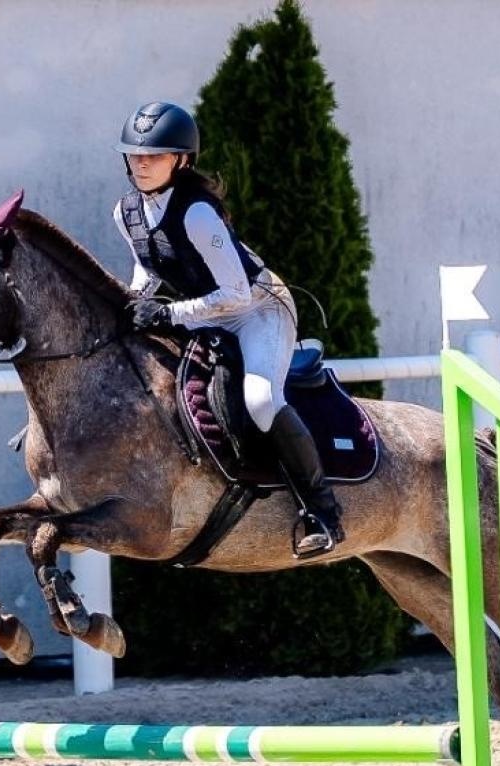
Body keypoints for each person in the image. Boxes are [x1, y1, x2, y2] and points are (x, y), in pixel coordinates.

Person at [113, 100, 344, 556]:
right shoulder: (126, 212)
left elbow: (236, 294)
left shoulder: (197, 212)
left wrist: (169, 314)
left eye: (155, 155)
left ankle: (323, 511)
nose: (142, 163)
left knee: (260, 400)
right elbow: (146, 268)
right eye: (135, 154)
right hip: (201, 308)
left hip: (256, 310)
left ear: (181, 160)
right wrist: (137, 302)